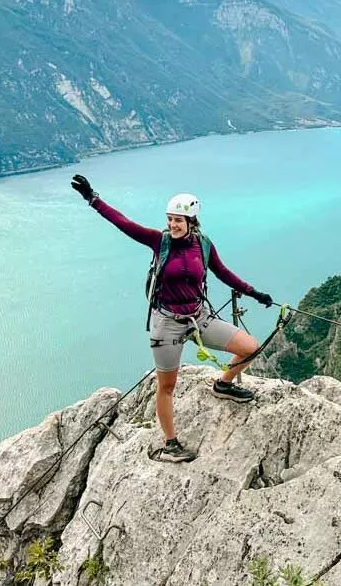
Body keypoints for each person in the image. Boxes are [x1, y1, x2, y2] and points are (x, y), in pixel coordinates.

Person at [71, 174, 274, 463]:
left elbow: (223, 272)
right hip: (167, 322)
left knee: (250, 347)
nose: (172, 224)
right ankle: (170, 444)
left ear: (191, 222)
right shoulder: (159, 241)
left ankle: (223, 384)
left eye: (178, 220)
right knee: (166, 386)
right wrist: (93, 199)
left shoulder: (203, 245)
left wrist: (254, 293)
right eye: (169, 219)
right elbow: (124, 224)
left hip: (199, 316)